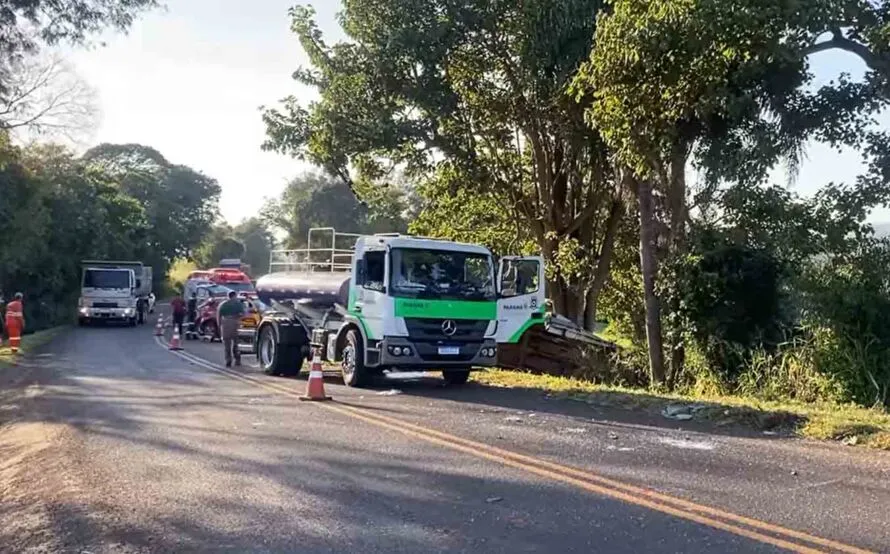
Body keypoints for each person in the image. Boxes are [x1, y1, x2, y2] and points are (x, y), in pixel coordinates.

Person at [217, 291, 245, 367]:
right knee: (236, 343)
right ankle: (237, 359)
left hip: (225, 323)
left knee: (227, 344)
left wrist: (219, 325)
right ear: (234, 296)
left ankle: (228, 360)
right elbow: (243, 314)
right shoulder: (238, 304)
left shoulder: (223, 304)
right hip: (235, 323)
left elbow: (218, 316)